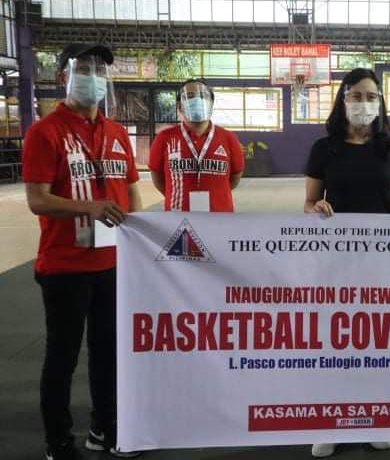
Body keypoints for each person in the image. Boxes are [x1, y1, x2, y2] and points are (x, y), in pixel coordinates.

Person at [22, 44, 143, 460]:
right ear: (64, 77)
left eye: (100, 70)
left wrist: (137, 235)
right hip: (65, 265)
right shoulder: (45, 132)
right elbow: (37, 199)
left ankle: (104, 428)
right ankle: (58, 441)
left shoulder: (117, 133)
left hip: (112, 263)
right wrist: (87, 207)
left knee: (109, 353)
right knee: (63, 357)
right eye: (85, 69)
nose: (95, 77)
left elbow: (130, 192)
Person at [304, 68, 390, 457]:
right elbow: (309, 202)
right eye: (355, 95)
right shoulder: (324, 148)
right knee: (336, 339)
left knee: (376, 339)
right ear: (343, 100)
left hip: (382, 262)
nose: (363, 103)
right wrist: (315, 208)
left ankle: (375, 416)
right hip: (335, 260)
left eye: (371, 96)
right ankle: (331, 420)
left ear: (381, 102)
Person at [149, 78, 245, 212]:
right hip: (178, 218)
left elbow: (235, 178)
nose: (197, 100)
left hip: (220, 217)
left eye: (203, 96)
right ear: (179, 106)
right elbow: (158, 178)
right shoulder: (164, 138)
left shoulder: (229, 138)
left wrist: (217, 193)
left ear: (211, 103)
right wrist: (177, 194)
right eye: (190, 96)